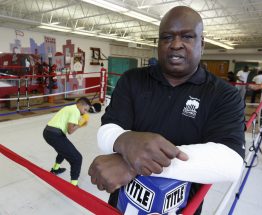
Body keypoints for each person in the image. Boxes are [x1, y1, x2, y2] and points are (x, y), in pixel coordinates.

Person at [88, 6, 245, 214]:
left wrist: (135, 164)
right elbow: (108, 128)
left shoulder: (224, 95)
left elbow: (230, 162)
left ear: (202, 43)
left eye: (187, 36)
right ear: (159, 43)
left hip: (182, 208)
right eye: (167, 37)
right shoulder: (133, 79)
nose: (176, 44)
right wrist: (124, 140)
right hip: (123, 205)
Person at [43, 97, 91, 186]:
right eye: (85, 109)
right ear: (80, 104)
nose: (84, 112)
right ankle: (73, 185)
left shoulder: (69, 107)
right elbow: (70, 131)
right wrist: (80, 125)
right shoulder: (75, 111)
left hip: (48, 132)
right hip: (55, 135)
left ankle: (55, 169)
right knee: (77, 158)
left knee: (63, 151)